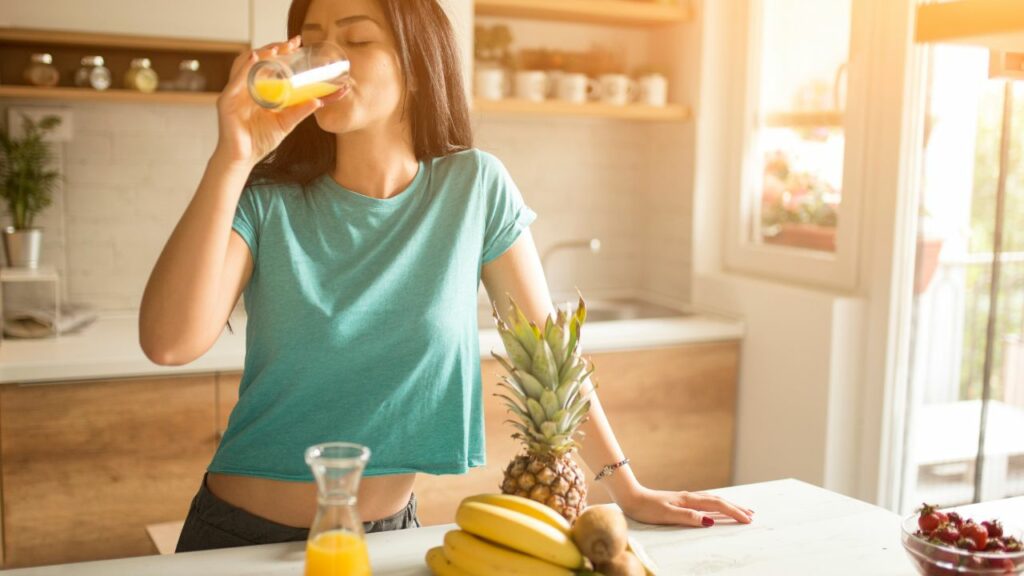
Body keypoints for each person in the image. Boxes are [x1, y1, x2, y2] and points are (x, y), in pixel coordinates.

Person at [139, 0, 753, 553]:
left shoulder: (474, 187)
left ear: (416, 60)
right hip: (239, 540)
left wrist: (630, 491)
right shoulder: (268, 200)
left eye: (357, 41)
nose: (327, 57)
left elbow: (546, 356)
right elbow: (169, 342)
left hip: (391, 537)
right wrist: (234, 157)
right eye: (312, 40)